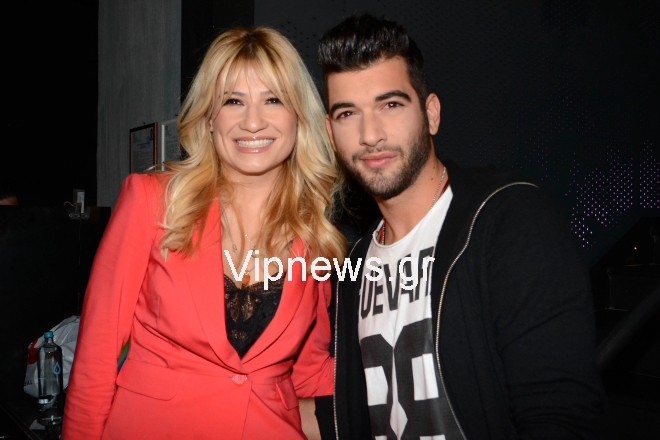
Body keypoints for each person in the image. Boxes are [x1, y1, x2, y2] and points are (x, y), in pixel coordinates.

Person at [316, 14, 605, 439]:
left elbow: (561, 415)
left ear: (431, 114)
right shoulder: (352, 267)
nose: (370, 134)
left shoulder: (507, 221)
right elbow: (346, 416)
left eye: (391, 105)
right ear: (330, 132)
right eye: (347, 113)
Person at [63, 26, 346, 440]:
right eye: (233, 101)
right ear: (210, 118)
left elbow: (309, 374)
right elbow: (96, 357)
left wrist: (398, 371)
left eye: (273, 100)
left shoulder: (317, 236)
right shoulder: (152, 201)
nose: (253, 121)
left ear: (299, 117)